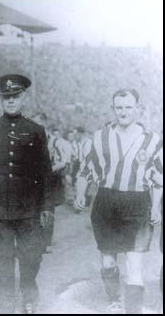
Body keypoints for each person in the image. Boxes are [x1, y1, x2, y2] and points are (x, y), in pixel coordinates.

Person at [75, 88, 163, 314]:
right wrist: (79, 194)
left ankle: (133, 311)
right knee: (108, 261)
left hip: (138, 203)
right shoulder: (100, 137)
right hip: (106, 202)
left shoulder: (153, 141)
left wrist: (155, 207)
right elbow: (85, 171)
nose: (123, 112)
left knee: (134, 266)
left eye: (128, 107)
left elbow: (158, 179)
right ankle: (114, 298)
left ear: (138, 109)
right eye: (119, 107)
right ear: (113, 109)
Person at [0, 74, 53, 314]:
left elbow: (45, 171)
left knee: (31, 257)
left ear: (23, 98)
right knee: (1, 259)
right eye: (6, 97)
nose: (10, 101)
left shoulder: (36, 130)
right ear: (1, 99)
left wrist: (46, 207)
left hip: (28, 206)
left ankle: (28, 293)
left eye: (15, 96)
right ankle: (8, 304)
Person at [32, 115, 71, 253]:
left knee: (48, 208)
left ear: (44, 124)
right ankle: (34, 241)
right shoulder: (29, 139)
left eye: (39, 123)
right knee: (33, 209)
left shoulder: (55, 142)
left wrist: (48, 169)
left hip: (51, 179)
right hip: (33, 179)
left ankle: (44, 243)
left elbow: (64, 161)